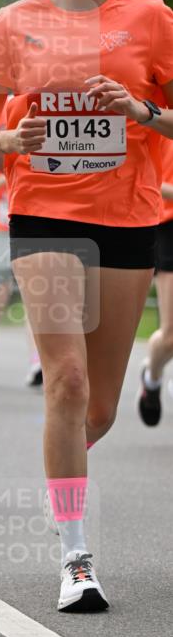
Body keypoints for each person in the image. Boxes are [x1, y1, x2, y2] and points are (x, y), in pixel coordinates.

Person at [0, 0, 173, 611]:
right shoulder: (15, 22)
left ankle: (61, 476)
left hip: (128, 216)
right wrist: (8, 140)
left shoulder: (150, 17)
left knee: (100, 411)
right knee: (69, 382)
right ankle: (75, 558)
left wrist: (141, 109)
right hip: (44, 215)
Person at [0, 163, 43, 388]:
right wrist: (10, 173)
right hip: (0, 229)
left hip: (31, 228)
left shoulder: (36, 145)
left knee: (35, 300)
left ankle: (37, 362)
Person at [139, 138, 173, 425]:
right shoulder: (162, 119)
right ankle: (152, 378)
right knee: (171, 334)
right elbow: (144, 175)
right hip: (169, 225)